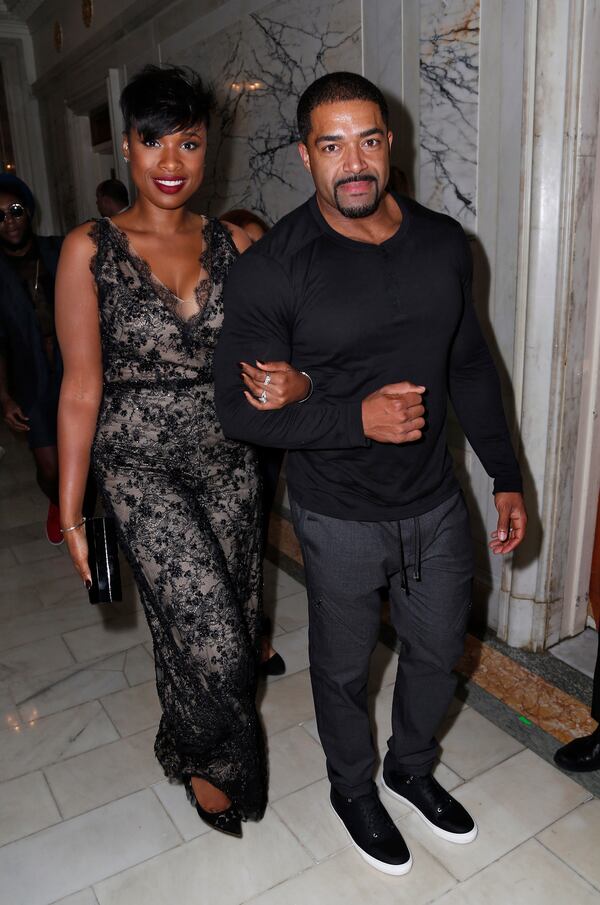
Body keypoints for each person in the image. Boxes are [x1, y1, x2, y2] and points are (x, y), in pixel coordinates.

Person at [214, 71, 527, 874]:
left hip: (434, 501)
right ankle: (352, 786)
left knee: (436, 649)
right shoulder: (272, 268)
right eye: (331, 145)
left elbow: (469, 363)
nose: (353, 162)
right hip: (338, 511)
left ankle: (410, 767)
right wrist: (356, 417)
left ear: (391, 144)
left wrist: (506, 473)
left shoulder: (444, 244)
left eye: (369, 140)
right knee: (345, 669)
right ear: (304, 155)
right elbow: (242, 413)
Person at [55, 65, 310, 838]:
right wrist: (69, 513)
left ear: (209, 150)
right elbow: (78, 389)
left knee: (214, 613)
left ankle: (184, 740)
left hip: (232, 460)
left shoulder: (236, 242)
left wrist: (294, 382)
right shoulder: (86, 250)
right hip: (138, 465)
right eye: (152, 139)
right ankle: (214, 763)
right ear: (126, 148)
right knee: (218, 639)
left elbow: (280, 344)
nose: (172, 160)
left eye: (190, 142)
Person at [222, 206, 286, 677]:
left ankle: (255, 634)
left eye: (259, 244)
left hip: (266, 438)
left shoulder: (278, 294)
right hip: (209, 436)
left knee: (248, 542)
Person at [0, 174, 64, 544]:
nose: (9, 221)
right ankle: (60, 504)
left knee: (86, 460)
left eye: (15, 211)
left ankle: (76, 510)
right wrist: (5, 396)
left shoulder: (59, 251)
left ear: (29, 212)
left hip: (74, 373)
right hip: (30, 380)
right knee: (51, 469)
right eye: (0, 216)